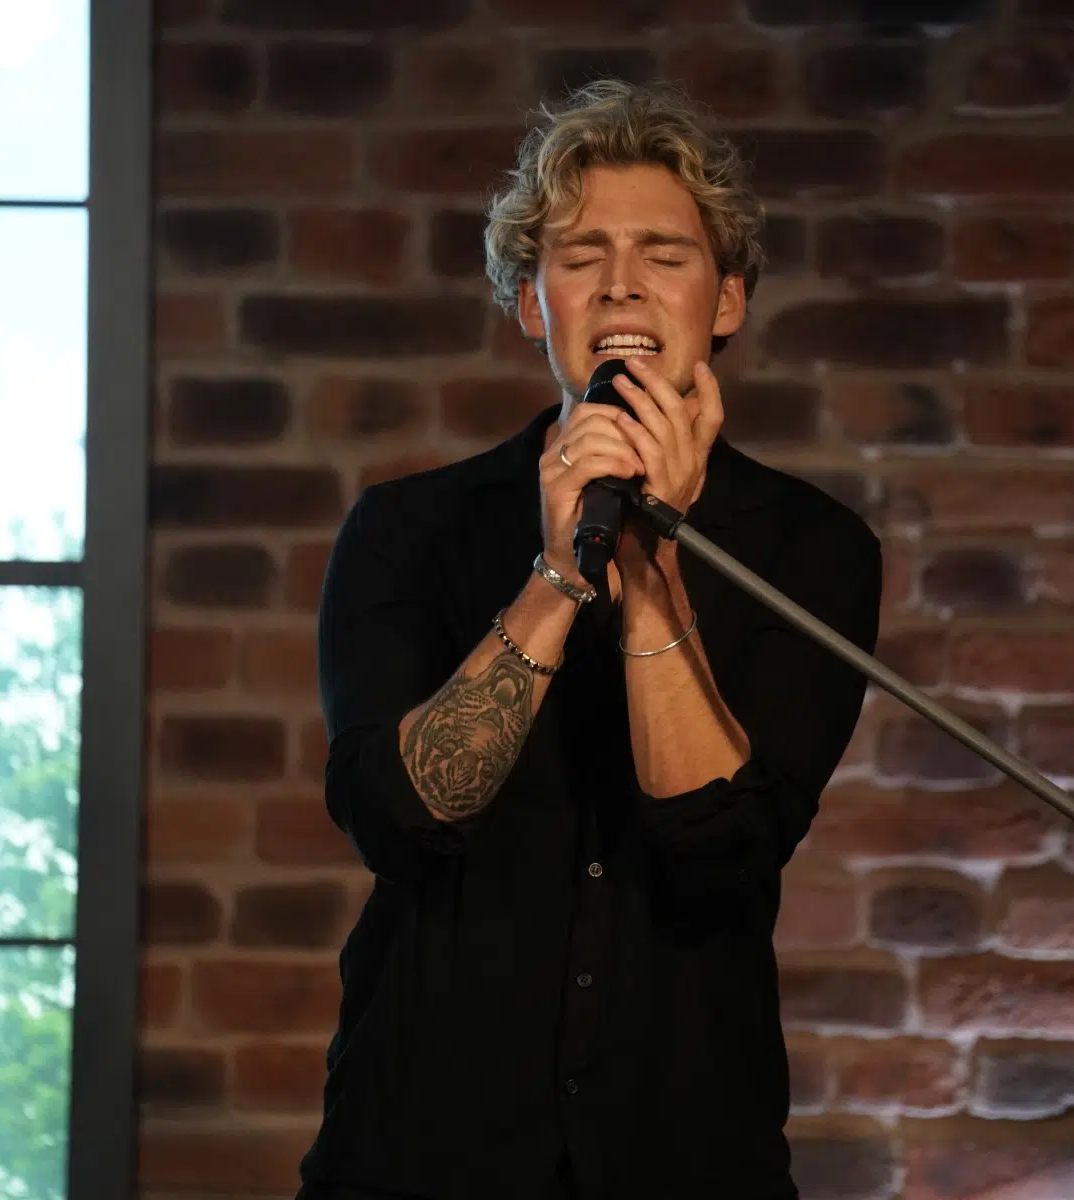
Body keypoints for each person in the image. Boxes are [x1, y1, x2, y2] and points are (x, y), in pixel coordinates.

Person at [297, 80, 883, 1200]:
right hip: (423, 1155)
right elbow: (402, 815)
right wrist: (561, 573)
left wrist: (652, 568)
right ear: (532, 304)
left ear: (726, 300)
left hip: (685, 1158)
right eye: (580, 255)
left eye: (664, 253)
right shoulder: (408, 530)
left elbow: (723, 845)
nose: (621, 282)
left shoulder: (811, 549)